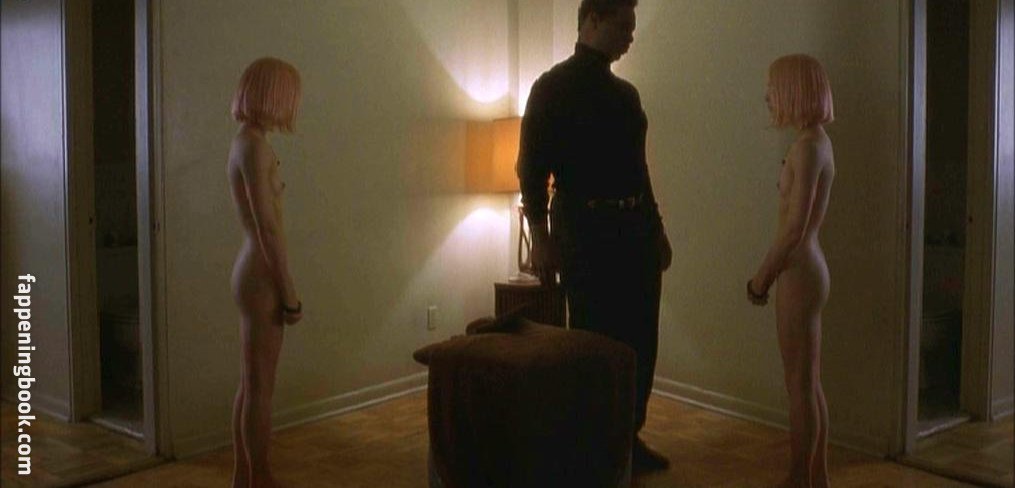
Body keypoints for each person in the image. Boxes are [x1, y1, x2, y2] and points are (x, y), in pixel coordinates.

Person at [516, 0, 672, 472]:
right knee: (592, 341)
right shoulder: (551, 88)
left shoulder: (626, 95)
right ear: (593, 21)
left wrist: (657, 229)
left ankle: (627, 438)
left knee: (640, 340)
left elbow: (639, 170)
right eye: (623, 26)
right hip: (585, 234)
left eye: (632, 28)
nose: (630, 36)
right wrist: (540, 237)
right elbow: (531, 170)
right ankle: (592, 445)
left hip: (634, 230)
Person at [748, 54, 835, 488]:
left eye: (773, 86)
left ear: (794, 90)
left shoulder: (807, 148)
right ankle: (817, 476)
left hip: (799, 272)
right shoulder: (816, 142)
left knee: (798, 385)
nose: (768, 95)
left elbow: (793, 230)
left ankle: (798, 478)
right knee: (808, 381)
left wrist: (761, 278)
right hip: (808, 270)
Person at [227, 57, 304, 488]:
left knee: (250, 384)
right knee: (261, 388)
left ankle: (244, 477)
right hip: (261, 274)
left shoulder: (247, 142)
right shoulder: (254, 147)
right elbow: (268, 227)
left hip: (253, 270)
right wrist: (289, 293)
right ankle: (262, 478)